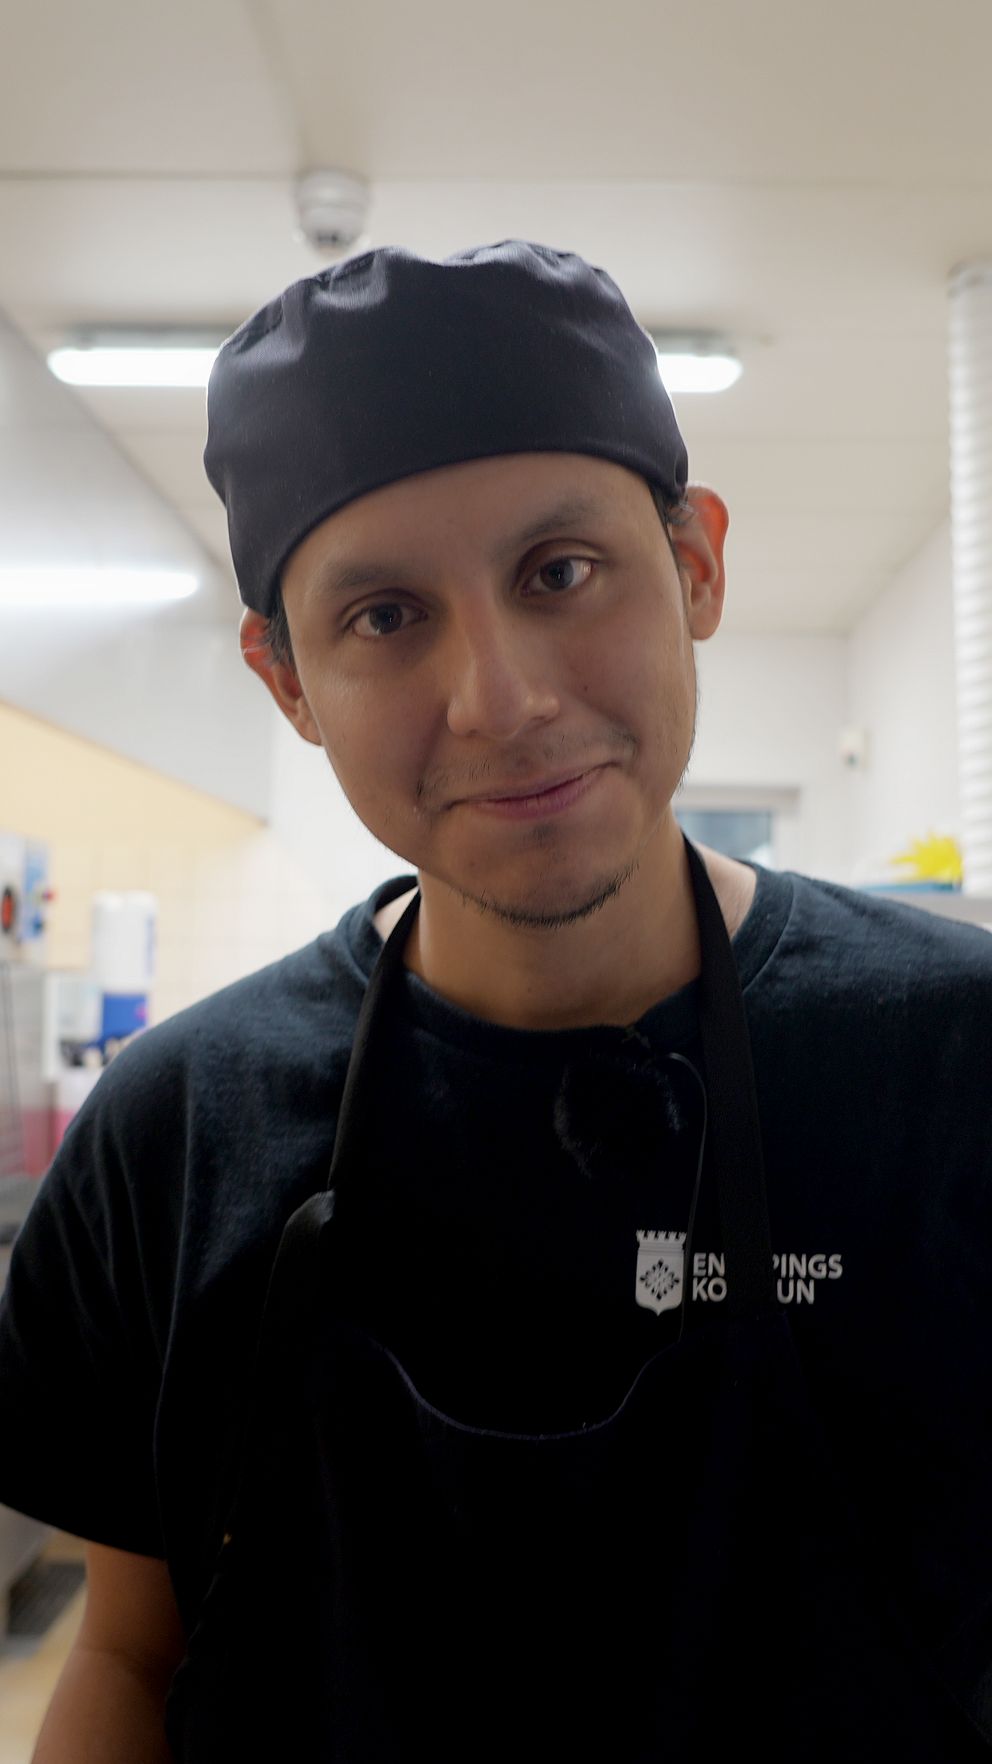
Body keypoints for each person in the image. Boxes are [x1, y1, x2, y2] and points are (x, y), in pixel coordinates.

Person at [2, 239, 991, 1762]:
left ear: (698, 566)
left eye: (560, 572)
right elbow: (133, 1656)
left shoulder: (958, 1059)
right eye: (387, 616)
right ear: (287, 680)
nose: (502, 699)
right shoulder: (173, 1133)